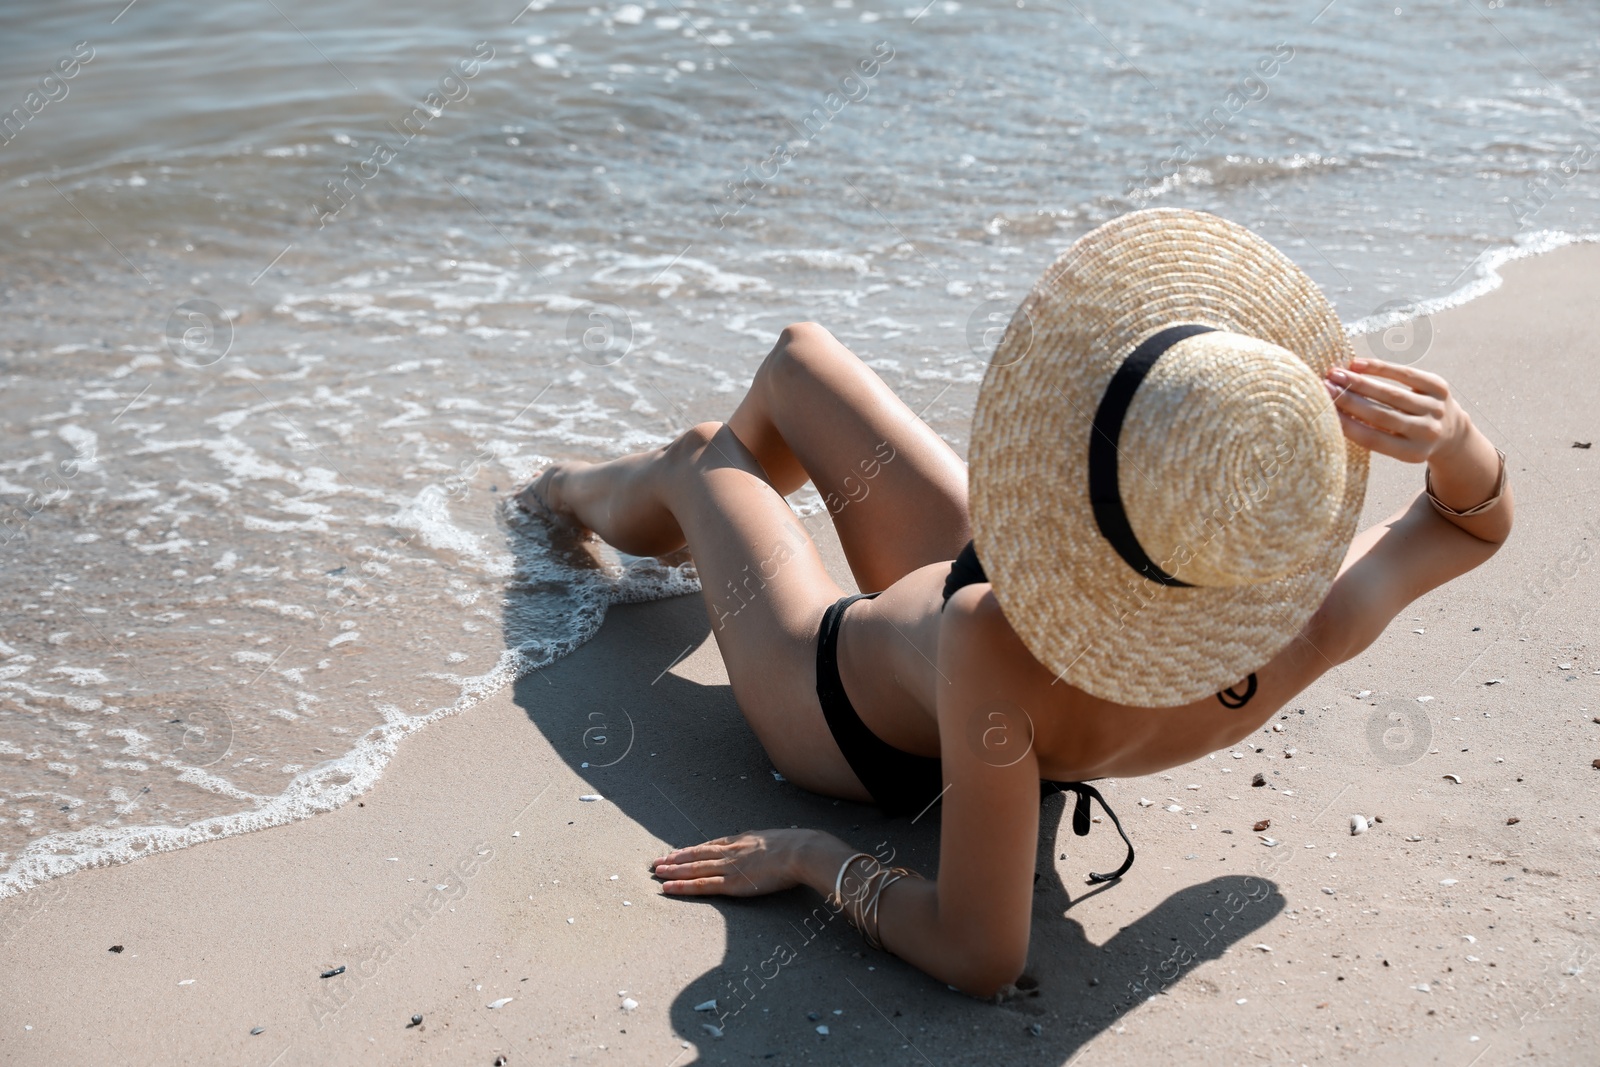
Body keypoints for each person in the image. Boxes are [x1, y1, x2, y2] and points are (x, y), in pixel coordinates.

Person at [516, 210, 1512, 997]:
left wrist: (817, 859)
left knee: (701, 454)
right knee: (797, 359)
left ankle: (563, 496)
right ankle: (710, 541)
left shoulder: (991, 629)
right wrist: (1456, 434)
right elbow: (1470, 522)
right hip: (999, 678)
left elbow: (980, 953)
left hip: (832, 704)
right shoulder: (1298, 626)